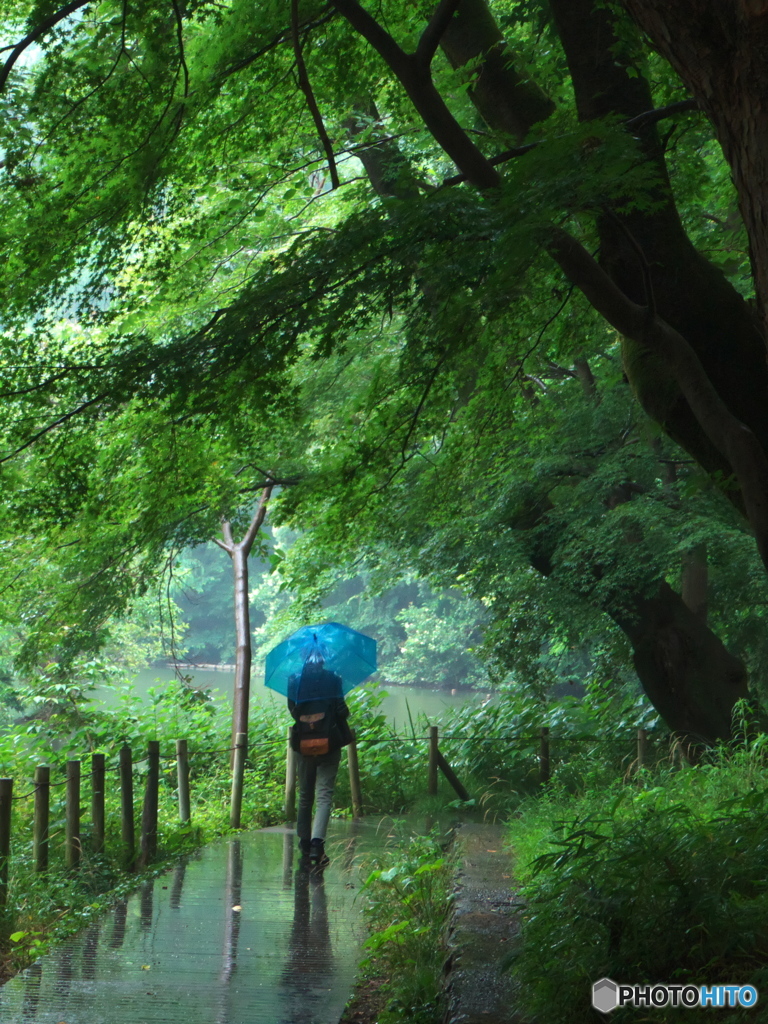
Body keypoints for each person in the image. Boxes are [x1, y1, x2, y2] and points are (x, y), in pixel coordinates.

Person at [288, 649, 353, 869]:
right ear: (323, 659)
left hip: (303, 744)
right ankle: (317, 845)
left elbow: (294, 713)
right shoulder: (334, 679)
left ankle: (304, 842)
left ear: (302, 658)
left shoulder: (293, 681)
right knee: (324, 793)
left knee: (305, 794)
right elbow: (341, 711)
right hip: (330, 743)